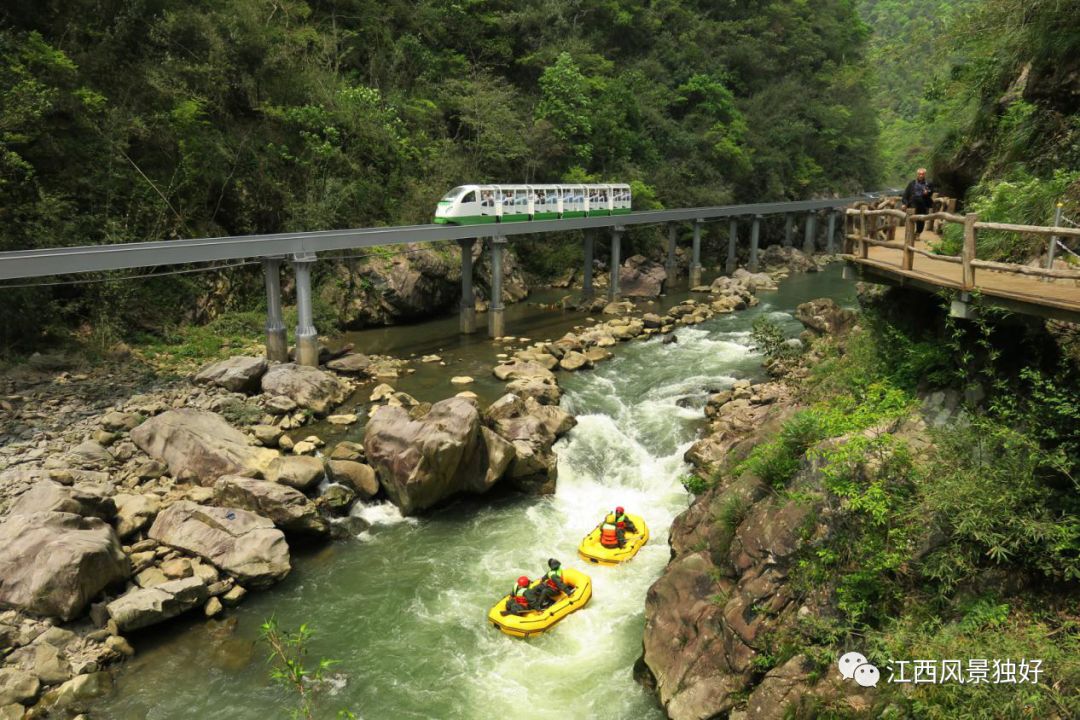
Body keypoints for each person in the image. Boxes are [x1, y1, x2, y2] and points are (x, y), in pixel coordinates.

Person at [902, 168, 936, 238]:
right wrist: (904, 203)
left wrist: (927, 193)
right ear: (917, 174)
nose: (921, 175)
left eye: (922, 174)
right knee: (910, 218)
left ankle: (917, 233)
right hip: (912, 204)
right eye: (919, 174)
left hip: (922, 204)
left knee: (920, 220)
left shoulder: (928, 183)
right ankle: (909, 234)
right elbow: (906, 194)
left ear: (925, 175)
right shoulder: (912, 183)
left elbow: (931, 191)